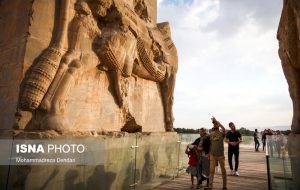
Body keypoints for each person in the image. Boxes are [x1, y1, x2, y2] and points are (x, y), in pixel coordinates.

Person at [206, 117, 227, 190]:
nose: (214, 124)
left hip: (220, 155)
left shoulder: (222, 133)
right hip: (212, 155)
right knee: (211, 171)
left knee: (223, 171)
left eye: (215, 124)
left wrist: (218, 121)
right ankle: (210, 186)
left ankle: (224, 186)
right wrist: (209, 154)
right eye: (214, 124)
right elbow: (210, 145)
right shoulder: (211, 134)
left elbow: (224, 129)